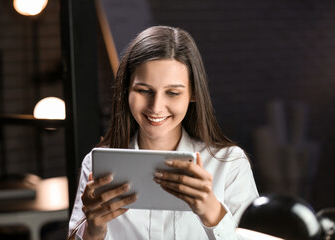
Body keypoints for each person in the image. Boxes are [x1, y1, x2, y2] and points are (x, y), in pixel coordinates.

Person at [68, 26, 258, 240]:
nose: (156, 107)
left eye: (173, 93)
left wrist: (212, 212)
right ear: (126, 89)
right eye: (144, 90)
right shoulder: (96, 166)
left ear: (193, 93)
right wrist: (93, 230)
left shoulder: (229, 163)